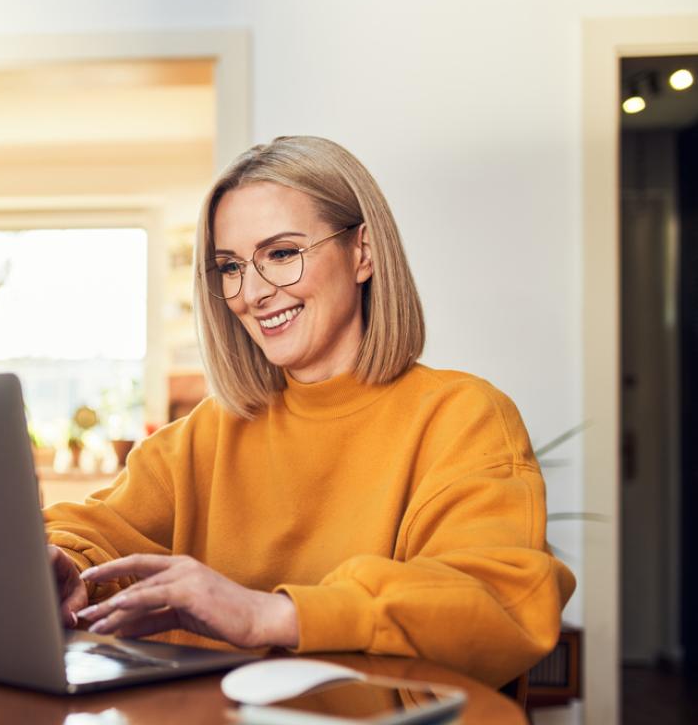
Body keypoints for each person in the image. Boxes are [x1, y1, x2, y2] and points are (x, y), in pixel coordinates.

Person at [44, 136, 575, 687]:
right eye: (230, 266)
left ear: (362, 253)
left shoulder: (463, 417)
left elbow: (499, 602)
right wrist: (63, 562)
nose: (251, 293)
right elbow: (92, 527)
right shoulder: (208, 433)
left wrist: (271, 615)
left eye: (280, 254)